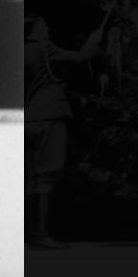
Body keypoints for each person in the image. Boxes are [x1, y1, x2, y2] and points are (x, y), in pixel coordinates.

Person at [24, 13, 103, 248]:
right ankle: (41, 234)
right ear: (36, 28)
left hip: (29, 118)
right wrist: (93, 40)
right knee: (46, 175)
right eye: (44, 24)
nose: (47, 28)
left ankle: (26, 236)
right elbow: (81, 57)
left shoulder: (19, 52)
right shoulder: (43, 48)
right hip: (50, 115)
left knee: (29, 178)